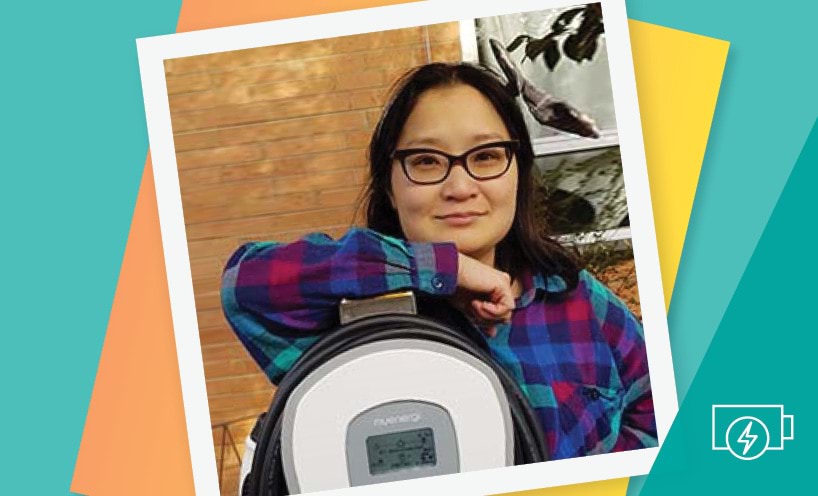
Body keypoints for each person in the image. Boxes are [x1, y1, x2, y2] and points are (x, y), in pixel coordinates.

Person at [220, 62, 657, 460]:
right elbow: (244, 284)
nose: (460, 186)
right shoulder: (347, 316)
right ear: (390, 187)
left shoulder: (578, 299)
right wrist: (448, 269)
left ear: (519, 171)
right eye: (426, 161)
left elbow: (658, 418)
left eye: (486, 156)